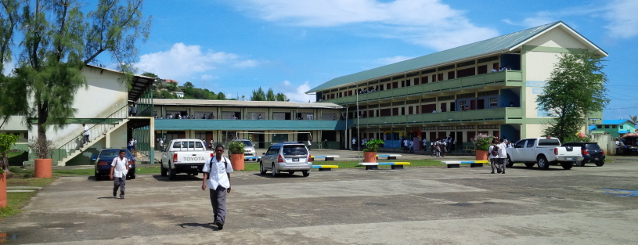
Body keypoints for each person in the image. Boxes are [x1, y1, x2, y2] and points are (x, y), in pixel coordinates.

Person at [201, 145, 233, 230]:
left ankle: (220, 221)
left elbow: (228, 173)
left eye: (220, 151)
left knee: (220, 202)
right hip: (212, 184)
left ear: (223, 151)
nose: (219, 152)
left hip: (222, 184)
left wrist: (229, 184)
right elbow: (206, 173)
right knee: (214, 202)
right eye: (217, 150)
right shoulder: (210, 161)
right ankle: (216, 217)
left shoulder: (226, 161)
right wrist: (204, 183)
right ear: (215, 151)